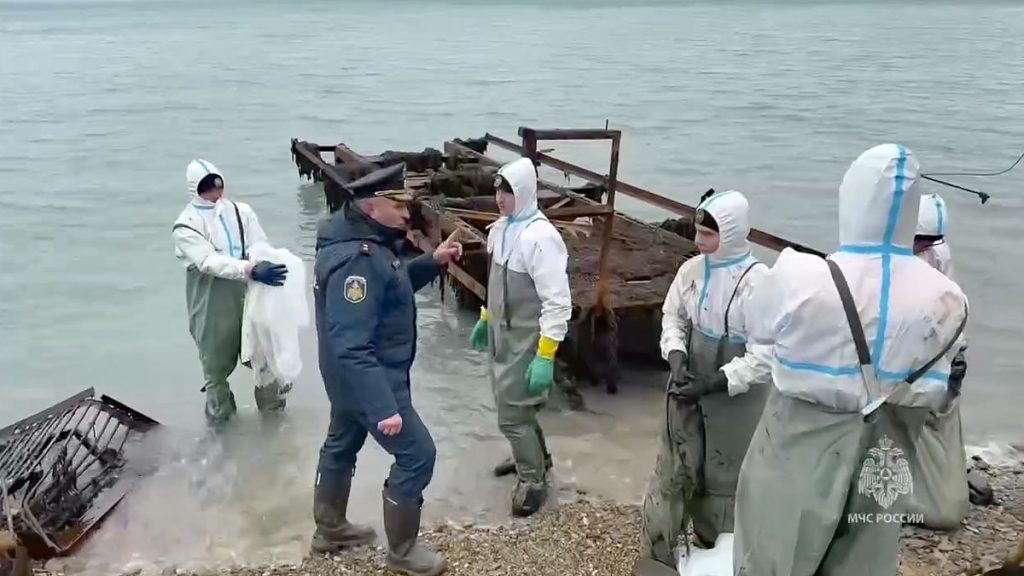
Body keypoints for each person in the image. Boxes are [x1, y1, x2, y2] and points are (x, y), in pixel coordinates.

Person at [732, 144, 969, 576]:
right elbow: (941, 394)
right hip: (889, 447)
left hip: (799, 443)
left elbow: (758, 331)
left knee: (772, 554)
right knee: (864, 558)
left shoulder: (796, 276)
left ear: (852, 199)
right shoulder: (948, 299)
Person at [311, 162, 461, 576]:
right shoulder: (357, 261)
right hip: (370, 379)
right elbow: (351, 342)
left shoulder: (368, 243)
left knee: (341, 446)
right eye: (400, 204)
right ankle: (403, 553)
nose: (408, 212)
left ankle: (330, 529)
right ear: (374, 207)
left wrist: (433, 261)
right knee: (417, 456)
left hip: (347, 382)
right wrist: (383, 407)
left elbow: (389, 288)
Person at [633, 190, 773, 575]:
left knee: (722, 480)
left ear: (730, 234)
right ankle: (658, 557)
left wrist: (715, 383)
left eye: (708, 235)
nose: (699, 242)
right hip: (687, 384)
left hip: (734, 400)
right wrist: (676, 358)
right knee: (674, 470)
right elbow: (673, 317)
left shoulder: (758, 283)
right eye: (698, 232)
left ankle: (715, 555)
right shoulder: (692, 271)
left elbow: (765, 355)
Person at [467, 157, 572, 517]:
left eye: (508, 191)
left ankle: (533, 480)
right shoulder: (501, 228)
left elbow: (558, 303)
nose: (500, 198)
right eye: (498, 189)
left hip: (527, 337)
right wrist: (485, 317)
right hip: (502, 330)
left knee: (512, 413)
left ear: (526, 192)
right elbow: (495, 283)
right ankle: (535, 456)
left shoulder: (541, 238)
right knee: (510, 403)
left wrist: (545, 355)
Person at [173, 159, 291, 425]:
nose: (216, 194)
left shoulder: (240, 212)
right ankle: (222, 431)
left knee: (264, 357)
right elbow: (207, 261)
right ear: (196, 189)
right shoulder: (186, 225)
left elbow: (258, 241)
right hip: (210, 299)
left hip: (249, 292)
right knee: (215, 367)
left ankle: (275, 421)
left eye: (218, 185)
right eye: (208, 188)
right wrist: (249, 268)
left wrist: (261, 260)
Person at [907, 191, 970, 529]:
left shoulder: (933, 253)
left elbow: (947, 307)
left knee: (932, 427)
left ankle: (931, 500)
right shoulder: (925, 249)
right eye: (917, 240)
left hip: (939, 355)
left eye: (926, 241)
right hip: (935, 354)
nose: (922, 246)